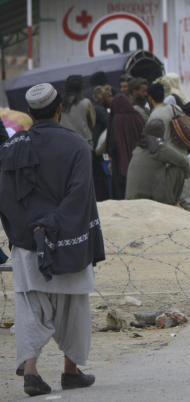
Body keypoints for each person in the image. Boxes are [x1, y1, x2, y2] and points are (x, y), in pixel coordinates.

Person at [0, 83, 104, 396]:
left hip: (27, 240)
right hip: (69, 239)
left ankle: (31, 369)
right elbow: (80, 193)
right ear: (58, 109)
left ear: (31, 113)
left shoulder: (12, 146)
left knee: (31, 306)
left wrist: (27, 229)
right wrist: (55, 225)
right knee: (73, 306)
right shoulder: (75, 145)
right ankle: (70, 371)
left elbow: (5, 195)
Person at [125, 120, 190, 215]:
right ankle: (172, 202)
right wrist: (187, 175)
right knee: (178, 169)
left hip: (131, 197)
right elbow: (184, 162)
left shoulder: (138, 147)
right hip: (149, 198)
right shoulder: (158, 147)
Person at [147, 82, 190, 212]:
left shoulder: (154, 116)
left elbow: (155, 146)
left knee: (183, 202)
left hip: (171, 166)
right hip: (183, 158)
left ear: (150, 98)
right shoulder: (174, 108)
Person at [107, 92, 145, 200]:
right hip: (139, 163)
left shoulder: (115, 120)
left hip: (120, 166)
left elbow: (111, 145)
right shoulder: (137, 117)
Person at [59, 75, 95, 150]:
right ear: (81, 87)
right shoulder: (86, 103)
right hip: (85, 144)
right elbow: (92, 123)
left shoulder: (60, 104)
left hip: (66, 145)